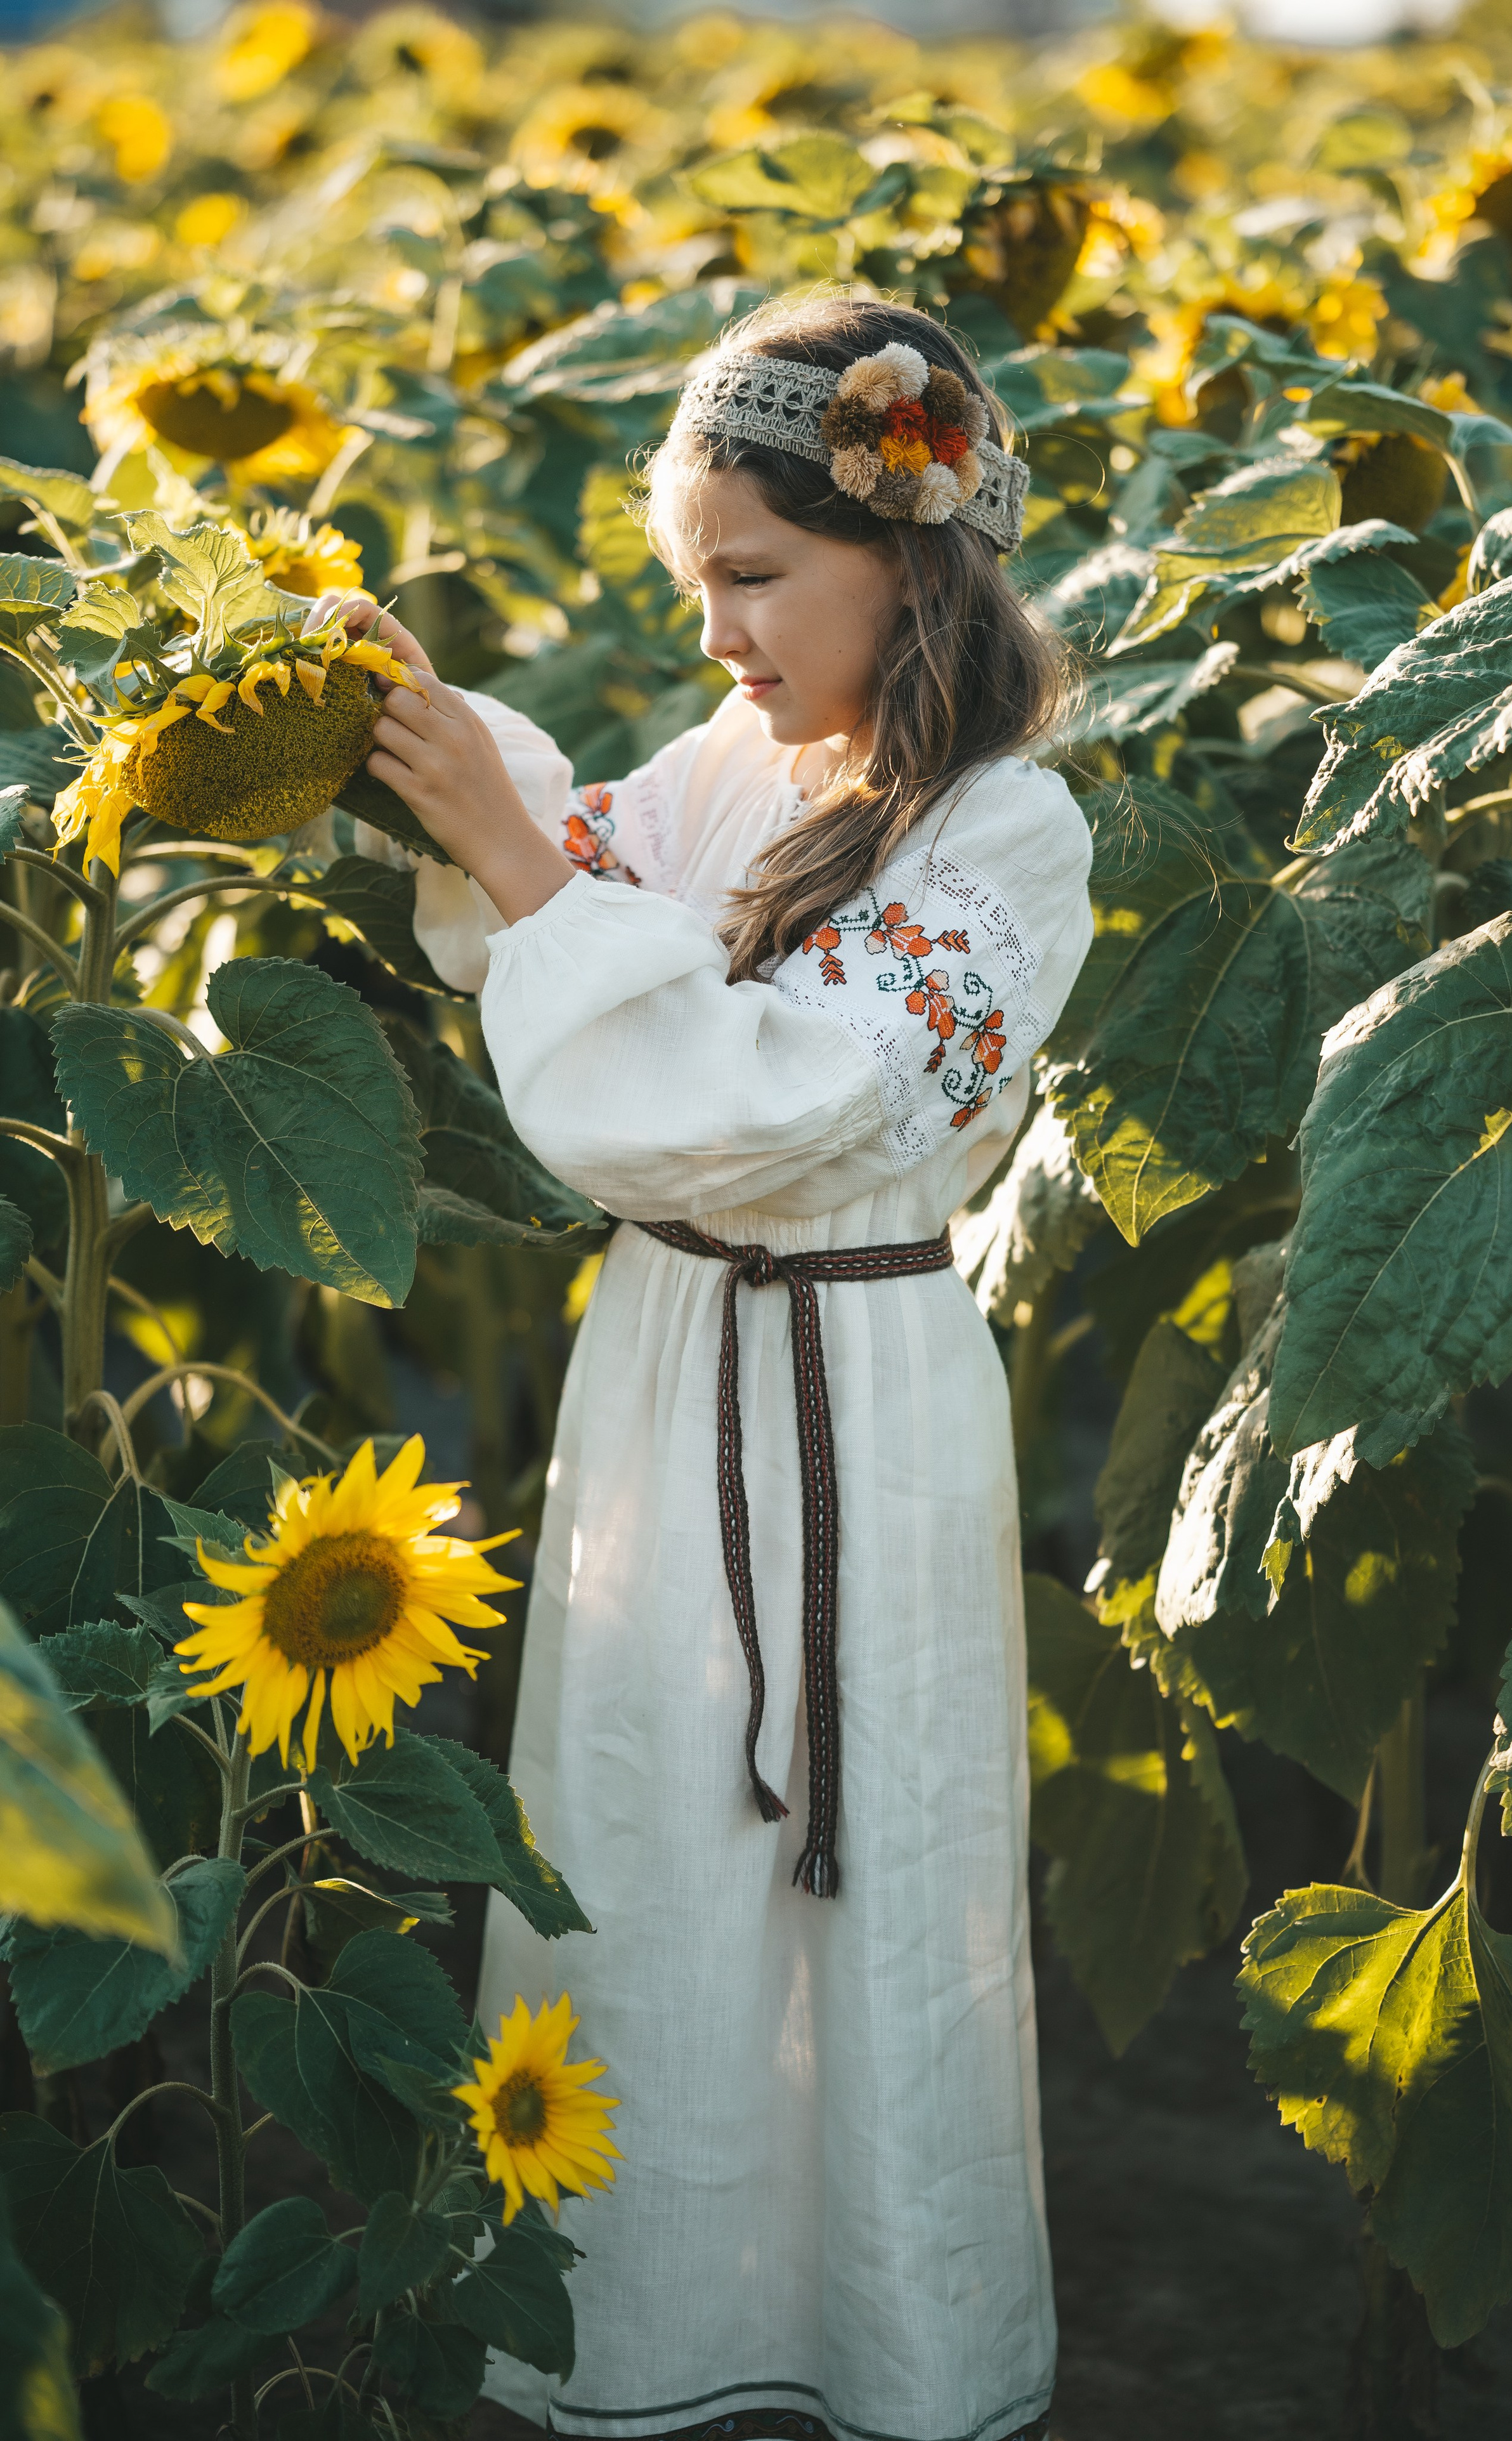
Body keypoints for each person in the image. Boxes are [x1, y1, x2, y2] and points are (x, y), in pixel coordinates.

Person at [329, 291, 1094, 2441]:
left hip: (851, 1380)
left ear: (915, 548)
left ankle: (887, 2348)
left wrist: (508, 853)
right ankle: (655, 2332)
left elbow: (750, 1096)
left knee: (863, 1853)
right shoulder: (752, 762)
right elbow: (593, 884)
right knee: (653, 1837)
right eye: (697, 587)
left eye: (755, 578)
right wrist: (421, 743)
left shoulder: (1007, 833)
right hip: (672, 1366)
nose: (722, 634)